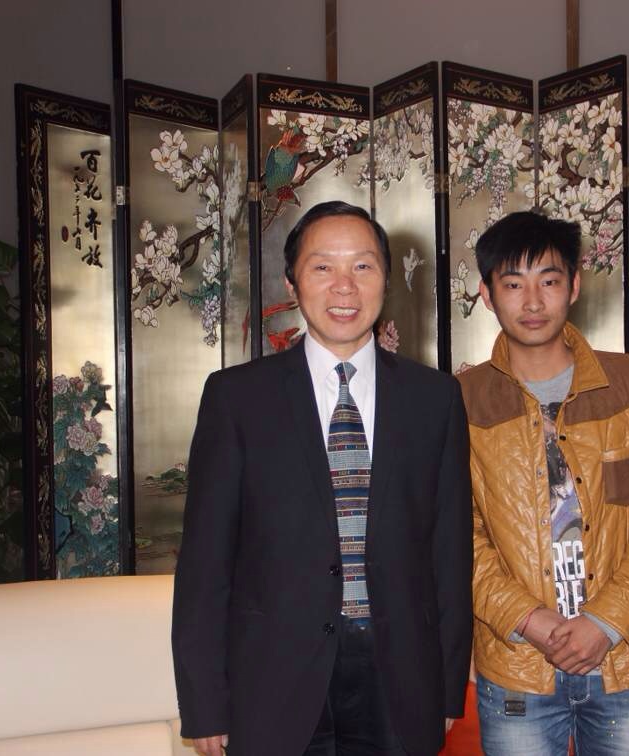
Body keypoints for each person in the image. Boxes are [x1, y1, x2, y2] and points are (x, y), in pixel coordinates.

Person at [172, 201, 473, 756]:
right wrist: (205, 702)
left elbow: (450, 556)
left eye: (362, 266)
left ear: (386, 279)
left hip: (400, 678)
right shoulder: (237, 398)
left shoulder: (435, 399)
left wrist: (448, 685)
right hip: (272, 678)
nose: (344, 286)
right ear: (292, 282)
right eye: (322, 267)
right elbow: (204, 566)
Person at [457, 211, 629, 755]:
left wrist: (605, 621)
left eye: (549, 280)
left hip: (624, 658)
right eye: (513, 284)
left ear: (574, 286)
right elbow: (456, 533)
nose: (532, 301)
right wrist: (527, 618)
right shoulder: (462, 401)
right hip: (518, 662)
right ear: (487, 295)